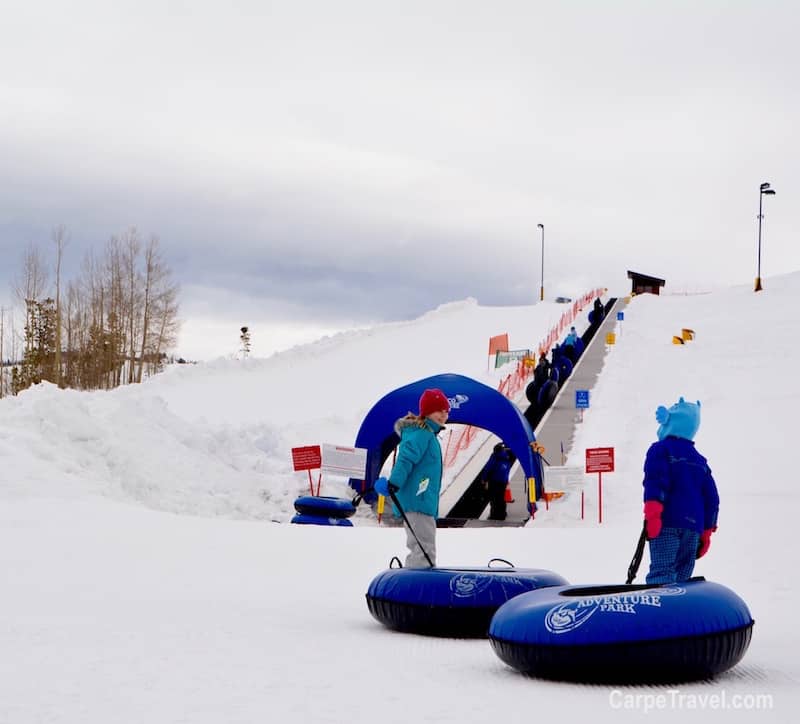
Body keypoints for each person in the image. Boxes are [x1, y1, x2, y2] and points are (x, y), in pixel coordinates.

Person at [642, 398, 720, 584]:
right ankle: (681, 610)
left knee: (662, 575)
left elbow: (656, 483)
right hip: (693, 529)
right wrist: (706, 532)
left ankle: (660, 611)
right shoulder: (700, 461)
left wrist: (652, 517)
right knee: (682, 578)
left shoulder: (660, 450)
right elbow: (712, 499)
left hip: (666, 524)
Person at [374, 388, 450, 568]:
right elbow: (405, 459)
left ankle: (419, 581)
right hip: (417, 500)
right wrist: (394, 483)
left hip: (423, 500)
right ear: (427, 411)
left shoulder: (427, 435)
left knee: (423, 547)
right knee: (423, 549)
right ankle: (418, 587)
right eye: (439, 410)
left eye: (446, 411)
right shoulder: (421, 435)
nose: (443, 415)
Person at [482, 443, 513, 520]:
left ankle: (494, 515)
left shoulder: (495, 457)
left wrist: (484, 479)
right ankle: (502, 514)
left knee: (494, 498)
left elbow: (488, 468)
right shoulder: (506, 457)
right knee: (501, 498)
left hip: (494, 481)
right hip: (503, 481)